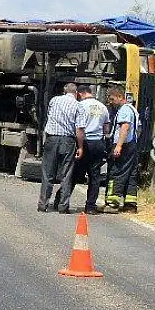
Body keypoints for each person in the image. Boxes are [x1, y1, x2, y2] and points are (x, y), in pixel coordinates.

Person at [38, 82, 79, 213]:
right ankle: (63, 206)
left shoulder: (54, 100)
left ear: (64, 91)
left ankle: (43, 204)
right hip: (68, 141)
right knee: (66, 174)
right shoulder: (78, 106)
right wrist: (81, 146)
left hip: (52, 138)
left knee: (48, 173)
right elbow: (79, 129)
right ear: (76, 93)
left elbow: (49, 115)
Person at [74, 85, 111, 215]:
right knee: (94, 176)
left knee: (74, 173)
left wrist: (79, 146)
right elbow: (106, 130)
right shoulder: (103, 107)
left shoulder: (81, 106)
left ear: (80, 94)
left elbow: (79, 128)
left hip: (85, 142)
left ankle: (61, 201)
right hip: (98, 144)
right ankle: (90, 206)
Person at [105, 87, 141, 213]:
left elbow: (124, 127)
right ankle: (130, 204)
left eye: (112, 99)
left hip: (123, 145)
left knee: (116, 171)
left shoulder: (125, 109)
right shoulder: (132, 109)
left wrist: (119, 145)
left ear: (120, 97)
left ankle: (112, 203)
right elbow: (138, 129)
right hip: (132, 145)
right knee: (131, 173)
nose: (111, 102)